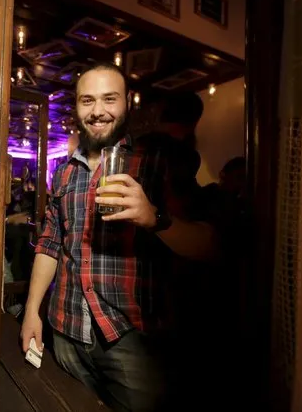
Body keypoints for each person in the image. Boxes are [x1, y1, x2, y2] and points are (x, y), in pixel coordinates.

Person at [19, 62, 217, 412]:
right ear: (77, 107)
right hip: (66, 331)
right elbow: (50, 245)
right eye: (87, 101)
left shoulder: (157, 163)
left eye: (109, 99)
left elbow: (208, 246)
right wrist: (33, 311)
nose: (98, 111)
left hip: (133, 343)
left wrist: (155, 219)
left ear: (127, 102)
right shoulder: (64, 173)